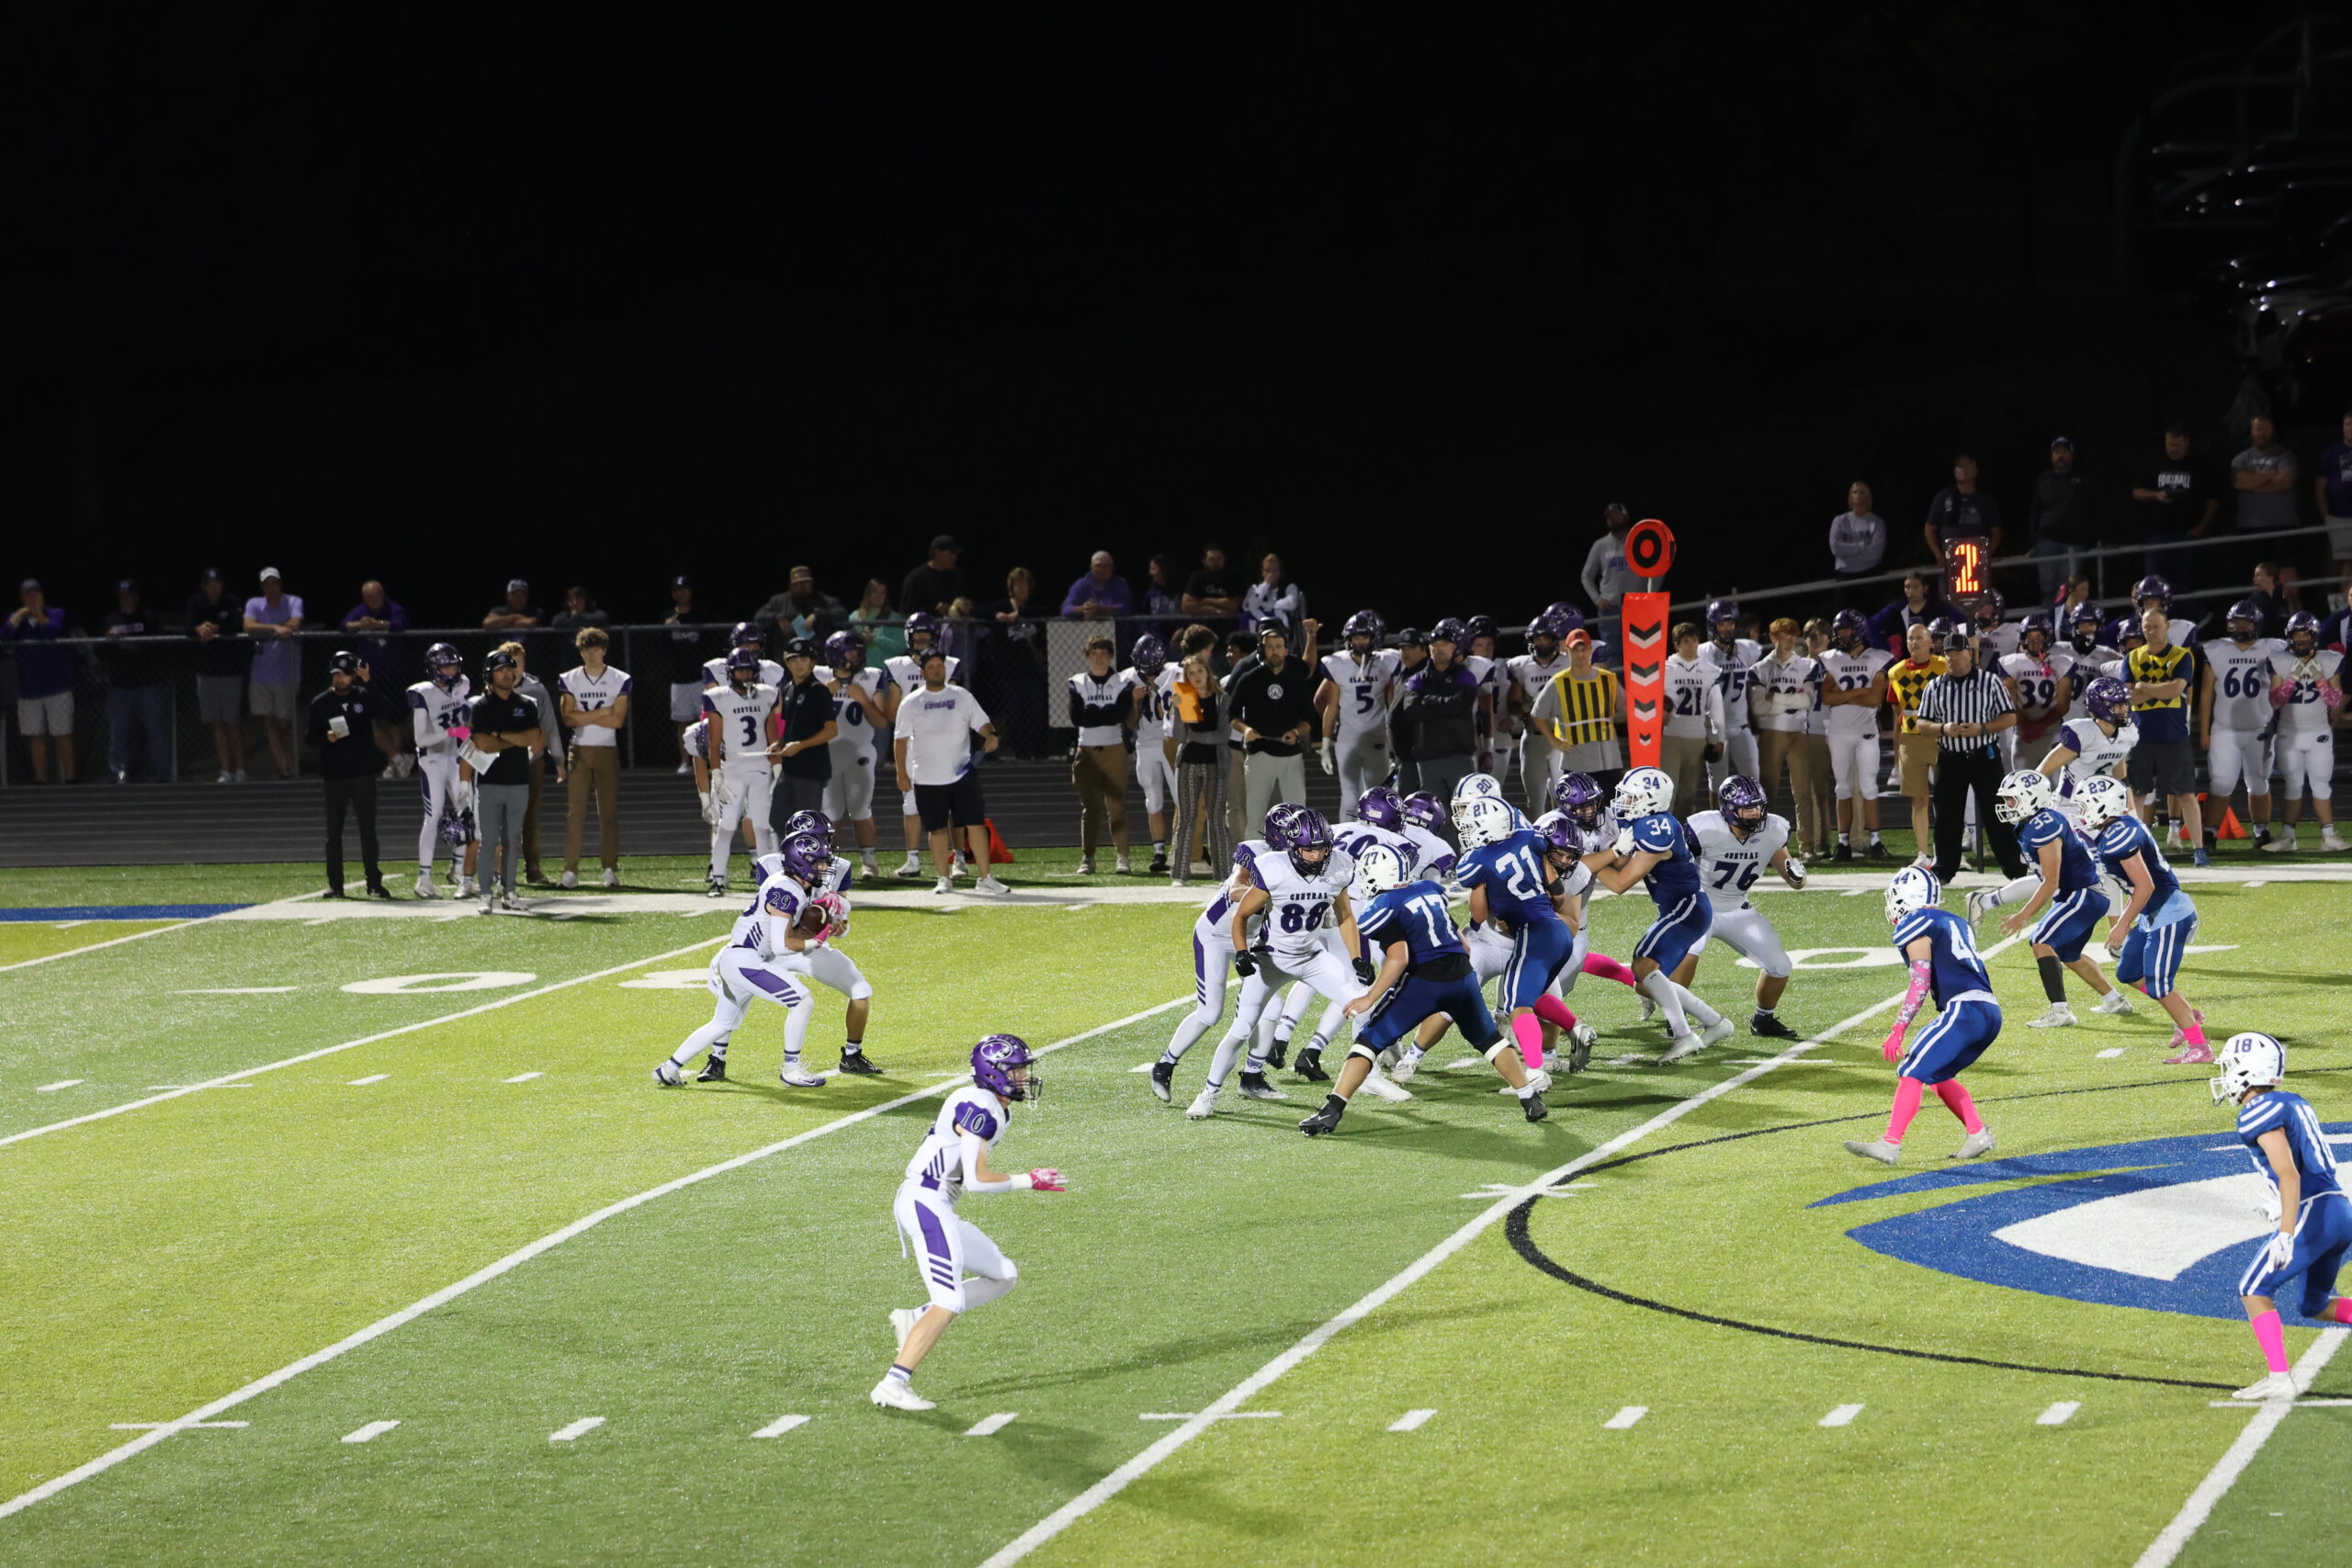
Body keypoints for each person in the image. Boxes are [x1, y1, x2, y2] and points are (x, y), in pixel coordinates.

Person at [872, 1034, 1061, 1412]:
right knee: (950, 1299)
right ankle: (893, 1384)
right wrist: (1029, 1180)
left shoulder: (992, 1105)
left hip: (935, 1203)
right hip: (926, 1201)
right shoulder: (980, 1107)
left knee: (1004, 1275)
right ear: (994, 1073)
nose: (1024, 1077)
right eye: (1017, 1070)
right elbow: (976, 1181)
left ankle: (915, 1319)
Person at [1299, 841, 1541, 1136]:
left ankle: (1331, 1112)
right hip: (1463, 975)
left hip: (1425, 981)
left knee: (1367, 1042)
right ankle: (1530, 1098)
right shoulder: (1430, 890)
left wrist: (1369, 997)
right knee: (1490, 1041)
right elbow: (1463, 944)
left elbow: (1399, 958)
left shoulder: (1383, 905)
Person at [1186, 809, 1369, 1118]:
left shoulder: (1339, 865)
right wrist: (1242, 953)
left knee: (1364, 1005)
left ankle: (1362, 1082)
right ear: (1293, 847)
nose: (1317, 855)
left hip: (1311, 956)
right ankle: (1208, 1093)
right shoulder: (1273, 867)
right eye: (1309, 849)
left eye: (1322, 848)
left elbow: (1345, 916)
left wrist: (1357, 958)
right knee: (1241, 1029)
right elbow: (1241, 915)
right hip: (1271, 957)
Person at [2206, 1032, 2352, 1404]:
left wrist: (2286, 1232)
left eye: (2231, 1066)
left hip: (2314, 1211)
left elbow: (2289, 1173)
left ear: (2247, 1070)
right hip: (2337, 1209)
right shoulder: (2291, 1101)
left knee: (2253, 1289)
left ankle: (2279, 1378)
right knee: (2313, 1304)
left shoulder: (2258, 1111)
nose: (2226, 1074)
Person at [1842, 866, 2000, 1166]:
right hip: (1988, 1010)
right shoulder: (1954, 921)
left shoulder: (1916, 922)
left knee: (1911, 1070)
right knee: (1937, 1075)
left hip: (1964, 1009)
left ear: (1907, 895)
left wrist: (1899, 1027)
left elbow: (1920, 982)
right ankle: (1978, 1134)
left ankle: (1890, 1144)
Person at [653, 831, 835, 1088]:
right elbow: (781, 946)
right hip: (746, 961)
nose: (824, 868)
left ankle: (668, 1069)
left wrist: (819, 928)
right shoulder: (786, 889)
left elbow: (785, 936)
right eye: (818, 862)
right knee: (802, 1002)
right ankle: (791, 1069)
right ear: (800, 862)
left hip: (740, 959)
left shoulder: (794, 887)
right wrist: (816, 942)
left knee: (721, 1023)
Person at [1587, 767, 1734, 1063]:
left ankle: (1684, 1035)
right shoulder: (1644, 823)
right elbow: (1620, 865)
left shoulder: (1657, 828)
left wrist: (1584, 858)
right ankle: (1716, 1023)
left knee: (1643, 965)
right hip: (1678, 908)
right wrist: (1611, 854)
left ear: (1650, 801)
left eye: (1631, 797)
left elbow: (1619, 883)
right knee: (1645, 978)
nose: (1623, 802)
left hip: (1687, 908)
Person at [2075, 775, 2211, 1062]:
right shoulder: (2119, 827)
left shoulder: (2118, 836)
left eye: (2085, 805)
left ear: (2102, 805)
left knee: (2160, 984)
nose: (2081, 812)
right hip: (2153, 913)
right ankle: (2186, 1014)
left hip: (2170, 914)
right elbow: (2135, 885)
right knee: (2129, 972)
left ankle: (2200, 1047)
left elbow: (2145, 885)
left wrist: (2122, 924)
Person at [1453, 795, 1587, 1082]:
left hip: (1531, 934)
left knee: (1517, 1006)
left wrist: (1484, 890)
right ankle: (1575, 1028)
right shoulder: (1530, 838)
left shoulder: (1476, 861)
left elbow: (1478, 916)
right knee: (1532, 997)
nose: (1467, 830)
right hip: (1557, 932)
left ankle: (1536, 1072)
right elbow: (1558, 895)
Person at [1670, 776, 1807, 1039]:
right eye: (1748, 808)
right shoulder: (1703, 828)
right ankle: (1675, 1019)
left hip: (1737, 907)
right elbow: (1675, 866)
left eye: (1759, 807)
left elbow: (1794, 879)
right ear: (1729, 809)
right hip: (1700, 905)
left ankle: (1763, 1019)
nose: (1756, 813)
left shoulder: (1773, 829)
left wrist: (1798, 877)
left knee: (1780, 966)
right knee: (1688, 953)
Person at [1984, 769, 2121, 1028]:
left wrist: (2023, 915)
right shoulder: (2032, 823)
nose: (2007, 804)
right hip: (2083, 894)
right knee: (2069, 954)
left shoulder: (2043, 825)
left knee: (2041, 941)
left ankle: (2060, 1012)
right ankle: (2115, 1000)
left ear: (2031, 797)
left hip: (2082, 893)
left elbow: (2050, 881)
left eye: (2011, 798)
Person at [893, 646, 1007, 895]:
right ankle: (943, 878)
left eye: (940, 666)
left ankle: (985, 878)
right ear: (923, 672)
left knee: (975, 824)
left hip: (962, 773)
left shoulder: (962, 696)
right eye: (931, 667)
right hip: (927, 777)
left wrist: (991, 734)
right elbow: (900, 740)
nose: (937, 671)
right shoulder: (911, 702)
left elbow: (982, 722)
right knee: (936, 829)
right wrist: (901, 773)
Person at [1915, 633, 2024, 884]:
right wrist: (1943, 728)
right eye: (1948, 654)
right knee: (1947, 816)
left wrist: (1982, 728)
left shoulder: (1990, 682)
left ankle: (2013, 867)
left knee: (1997, 814)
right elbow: (1922, 723)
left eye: (1957, 653)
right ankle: (1944, 869)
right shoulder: (1935, 686)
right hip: (1950, 757)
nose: (1952, 659)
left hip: (1984, 755)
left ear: (1968, 653)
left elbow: (2010, 717)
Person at [308, 650, 394, 899]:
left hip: (363, 774)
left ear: (353, 675)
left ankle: (374, 882)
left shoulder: (364, 696)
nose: (340, 679)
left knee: (368, 831)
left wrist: (369, 682)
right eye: (337, 674)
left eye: (345, 674)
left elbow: (387, 711)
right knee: (333, 834)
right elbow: (310, 738)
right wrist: (326, 738)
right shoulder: (321, 703)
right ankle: (336, 884)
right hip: (334, 776)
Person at [2124, 606, 2207, 866]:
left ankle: (2199, 849)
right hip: (2140, 736)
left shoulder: (2182, 656)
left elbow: (2175, 689)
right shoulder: (2132, 657)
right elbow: (2129, 697)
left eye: (2156, 626)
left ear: (2167, 626)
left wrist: (2144, 686)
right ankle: (2135, 850)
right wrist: (2159, 689)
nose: (2151, 631)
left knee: (2186, 793)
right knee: (2137, 795)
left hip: (2174, 735)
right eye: (2147, 627)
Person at [2201, 600, 2284, 852]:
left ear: (2257, 624)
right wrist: (2203, 730)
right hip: (2225, 729)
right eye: (2236, 622)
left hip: (2260, 728)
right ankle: (2209, 833)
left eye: (2246, 622)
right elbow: (2206, 693)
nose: (2241, 626)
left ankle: (2261, 831)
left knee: (2259, 782)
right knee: (2221, 782)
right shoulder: (2217, 649)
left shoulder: (2272, 648)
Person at [885, 612, 962, 878]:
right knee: (911, 803)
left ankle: (959, 858)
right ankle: (913, 860)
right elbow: (892, 712)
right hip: (912, 742)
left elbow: (953, 703)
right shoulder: (897, 666)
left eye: (925, 636)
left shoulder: (948, 664)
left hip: (945, 742)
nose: (920, 641)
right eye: (917, 637)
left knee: (952, 803)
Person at [464, 649, 542, 913]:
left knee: (512, 841)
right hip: (490, 781)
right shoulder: (481, 706)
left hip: (519, 780)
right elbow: (482, 743)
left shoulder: (526, 704)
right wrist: (514, 738)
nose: (508, 673)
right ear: (489, 675)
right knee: (488, 841)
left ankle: (509, 892)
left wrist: (500, 735)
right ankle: (485, 894)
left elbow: (533, 738)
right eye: (501, 670)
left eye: (510, 668)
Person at [2264, 612, 2347, 853]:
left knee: (2321, 785)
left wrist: (2319, 678)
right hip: (2289, 732)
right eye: (2296, 634)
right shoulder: (2279, 660)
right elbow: (2276, 701)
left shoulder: (2329, 660)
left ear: (2314, 636)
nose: (2300, 639)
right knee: (2292, 785)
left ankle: (2329, 836)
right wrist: (2293, 678)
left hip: (2319, 732)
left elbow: (2335, 701)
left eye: (2305, 634)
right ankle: (2288, 837)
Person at [556, 626, 630, 889]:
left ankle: (609, 868)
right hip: (579, 749)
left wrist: (584, 716)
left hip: (607, 749)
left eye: (596, 649)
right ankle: (570, 870)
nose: (591, 654)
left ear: (604, 650)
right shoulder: (570, 678)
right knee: (575, 813)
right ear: (581, 651)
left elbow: (618, 721)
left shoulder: (620, 678)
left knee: (608, 812)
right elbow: (568, 718)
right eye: (587, 649)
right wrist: (603, 712)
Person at [703, 649, 780, 895]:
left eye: (749, 670)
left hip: (761, 766)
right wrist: (717, 775)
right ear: (731, 672)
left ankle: (768, 879)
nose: (745, 674)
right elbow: (714, 743)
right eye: (740, 670)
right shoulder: (719, 697)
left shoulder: (767, 694)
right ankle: (718, 878)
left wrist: (777, 766)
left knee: (762, 826)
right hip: (733, 768)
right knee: (726, 826)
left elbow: (772, 736)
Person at [1227, 624, 1317, 830]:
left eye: (1278, 646)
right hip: (1259, 753)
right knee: (1255, 814)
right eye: (1269, 647)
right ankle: (1253, 852)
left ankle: (1297, 850)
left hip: (1290, 755)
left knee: (1297, 814)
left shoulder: (1297, 680)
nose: (1274, 651)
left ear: (1286, 650)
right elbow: (1232, 715)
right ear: (1262, 650)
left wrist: (1296, 732)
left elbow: (1309, 720)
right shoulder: (1249, 678)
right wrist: (1245, 730)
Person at [1530, 625, 1625, 815]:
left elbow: (1627, 707)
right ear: (1567, 651)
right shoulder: (1559, 682)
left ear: (1590, 650)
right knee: (1579, 812)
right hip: (1577, 761)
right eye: (1575, 650)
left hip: (1610, 759)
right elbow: (1537, 713)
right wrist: (1554, 741)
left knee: (1611, 811)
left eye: (1584, 649)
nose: (1580, 654)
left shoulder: (1608, 679)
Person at [408, 642, 478, 898]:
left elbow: (466, 718)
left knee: (466, 812)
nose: (451, 671)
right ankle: (424, 879)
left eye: (453, 666)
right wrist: (452, 731)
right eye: (446, 667)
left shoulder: (463, 684)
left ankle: (458, 869)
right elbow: (420, 739)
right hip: (433, 760)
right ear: (434, 669)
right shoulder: (422, 693)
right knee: (434, 814)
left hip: (457, 757)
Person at [820, 629, 890, 876]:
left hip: (860, 752)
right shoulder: (819, 676)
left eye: (857, 652)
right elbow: (805, 714)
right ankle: (826, 861)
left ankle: (869, 861)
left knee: (861, 808)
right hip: (827, 752)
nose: (855, 656)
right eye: (850, 652)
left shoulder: (871, 676)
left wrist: (862, 699)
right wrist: (824, 693)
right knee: (830, 811)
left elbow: (881, 722)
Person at [1316, 611, 1400, 814]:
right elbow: (1331, 706)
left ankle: (1374, 834)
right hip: (1349, 738)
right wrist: (1325, 744)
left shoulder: (1386, 661)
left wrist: (1395, 740)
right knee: (1350, 795)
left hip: (1376, 736)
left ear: (1374, 637)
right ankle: (1349, 834)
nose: (1360, 642)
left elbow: (1392, 704)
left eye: (1364, 636)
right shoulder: (1339, 663)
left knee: (1377, 796)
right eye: (1356, 637)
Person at [1066, 634, 1137, 874]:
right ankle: (1088, 857)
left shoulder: (1121, 682)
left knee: (1116, 806)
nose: (1099, 659)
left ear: (1110, 656)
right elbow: (1077, 717)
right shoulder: (1077, 682)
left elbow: (1120, 714)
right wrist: (1107, 712)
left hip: (1114, 748)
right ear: (1087, 656)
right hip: (1086, 750)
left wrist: (1095, 712)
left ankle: (1123, 856)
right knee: (1090, 807)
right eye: (1094, 654)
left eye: (1103, 654)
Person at [1392, 621, 1481, 802]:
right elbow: (1411, 711)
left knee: (1465, 809)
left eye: (1444, 645)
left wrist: (1427, 700)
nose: (1438, 649)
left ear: (1453, 647)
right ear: (1429, 648)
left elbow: (1459, 706)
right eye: (1434, 645)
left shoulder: (1465, 675)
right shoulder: (1417, 679)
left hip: (1458, 755)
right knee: (1434, 813)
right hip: (1427, 759)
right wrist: (1445, 707)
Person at [500, 639, 565, 884]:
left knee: (530, 813)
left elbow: (549, 726)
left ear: (524, 664)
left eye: (517, 663)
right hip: (501, 760)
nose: (513, 669)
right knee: (499, 814)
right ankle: (500, 870)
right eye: (508, 663)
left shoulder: (536, 690)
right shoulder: (492, 689)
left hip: (531, 758)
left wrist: (558, 759)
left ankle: (533, 866)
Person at [1168, 627, 1230, 884]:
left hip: (1216, 763)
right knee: (1187, 818)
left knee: (1217, 820)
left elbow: (1222, 735)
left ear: (1208, 672)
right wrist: (1176, 712)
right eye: (1191, 673)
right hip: (1188, 763)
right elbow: (1180, 737)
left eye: (1200, 671)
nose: (1196, 677)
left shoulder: (1221, 699)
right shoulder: (1185, 698)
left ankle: (1224, 874)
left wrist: (1196, 736)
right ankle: (1179, 874)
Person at [1883, 622, 1946, 864]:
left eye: (1919, 638)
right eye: (1910, 638)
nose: (1914, 642)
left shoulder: (1943, 665)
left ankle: (1946, 851)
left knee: (1946, 797)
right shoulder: (1895, 672)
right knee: (1918, 799)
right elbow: (1896, 714)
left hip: (1940, 736)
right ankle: (1922, 853)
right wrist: (1896, 754)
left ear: (1931, 642)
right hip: (1910, 739)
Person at [4, 580, 75, 785]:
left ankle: (71, 778)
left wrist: (39, 614)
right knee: (35, 735)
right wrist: (22, 612)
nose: (32, 597)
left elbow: (54, 631)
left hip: (57, 687)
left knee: (62, 733)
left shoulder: (55, 613)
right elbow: (4, 635)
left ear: (42, 595)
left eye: (35, 593)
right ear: (21, 597)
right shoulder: (17, 619)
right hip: (29, 689)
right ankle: (40, 779)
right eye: (27, 594)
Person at [99, 581, 170, 784]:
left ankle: (162, 773)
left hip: (148, 684)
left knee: (156, 731)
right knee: (118, 733)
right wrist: (109, 640)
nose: (126, 598)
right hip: (119, 686)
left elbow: (157, 648)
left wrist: (128, 644)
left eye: (129, 594)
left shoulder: (148, 618)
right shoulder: (111, 619)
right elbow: (100, 651)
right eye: (122, 595)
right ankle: (118, 773)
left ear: (137, 596)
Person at [2133, 424, 2222, 583]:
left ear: (2186, 442)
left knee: (2183, 581)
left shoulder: (2200, 464)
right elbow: (2136, 491)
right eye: (2170, 444)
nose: (2173, 449)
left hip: (2188, 533)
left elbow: (2212, 499)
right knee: (2154, 582)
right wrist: (2156, 495)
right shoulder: (2154, 461)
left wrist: (2202, 527)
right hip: (2158, 534)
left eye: (2177, 445)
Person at [186, 568, 250, 783]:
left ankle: (241, 768)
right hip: (206, 672)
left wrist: (217, 628)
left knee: (233, 721)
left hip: (231, 672)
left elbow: (239, 625)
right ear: (204, 586)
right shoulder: (196, 603)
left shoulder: (232, 601)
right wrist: (199, 629)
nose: (215, 589)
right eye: (210, 585)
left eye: (218, 584)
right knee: (217, 723)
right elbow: (187, 627)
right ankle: (226, 769)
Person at [1504, 612, 1574, 807]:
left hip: (1563, 737)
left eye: (1546, 638)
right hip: (1534, 736)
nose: (1542, 643)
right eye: (1538, 638)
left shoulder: (1568, 661)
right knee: (1534, 800)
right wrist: (1526, 705)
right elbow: (1513, 706)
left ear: (1554, 640)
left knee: (1565, 797)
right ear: (1531, 640)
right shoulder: (1519, 666)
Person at [242, 567, 304, 779]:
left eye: (274, 583)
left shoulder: (294, 601)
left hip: (287, 673)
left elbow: (295, 623)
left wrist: (264, 627)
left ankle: (292, 760)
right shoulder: (254, 603)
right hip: (260, 675)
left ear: (280, 584)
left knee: (285, 723)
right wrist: (276, 629)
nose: (271, 587)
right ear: (262, 587)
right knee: (269, 722)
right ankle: (284, 767)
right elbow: (248, 626)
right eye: (266, 584)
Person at [1125, 634, 1179, 875]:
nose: (1150, 675)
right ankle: (1159, 851)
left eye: (1154, 671)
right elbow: (1130, 724)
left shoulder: (1175, 672)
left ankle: (1181, 848)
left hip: (1170, 740)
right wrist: (1134, 702)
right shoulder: (1127, 678)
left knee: (1180, 798)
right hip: (1146, 744)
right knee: (1153, 799)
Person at [978, 567, 1046, 759]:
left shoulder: (1033, 610)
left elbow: (1047, 613)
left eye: (1025, 584)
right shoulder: (1002, 605)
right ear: (1011, 587)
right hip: (1009, 669)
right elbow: (980, 611)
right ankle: (1020, 751)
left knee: (1036, 710)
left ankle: (1039, 751)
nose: (1022, 588)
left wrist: (1017, 615)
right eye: (1018, 585)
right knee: (1015, 711)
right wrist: (998, 616)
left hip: (1032, 668)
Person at [1996, 614, 2077, 772]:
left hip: (2052, 733)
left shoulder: (2063, 662)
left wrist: (2041, 726)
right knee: (2023, 783)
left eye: (2039, 636)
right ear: (2023, 638)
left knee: (2055, 785)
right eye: (2030, 637)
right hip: (2023, 734)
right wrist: (2026, 725)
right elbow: (2010, 701)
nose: (2035, 641)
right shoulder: (2011, 663)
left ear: (2048, 637)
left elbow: (2063, 704)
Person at [1659, 623, 1723, 817]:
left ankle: (1683, 831)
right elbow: (1648, 697)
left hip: (1697, 738)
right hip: (1671, 736)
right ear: (1677, 644)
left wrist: (1719, 738)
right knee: (1667, 791)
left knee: (1689, 795)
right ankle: (1663, 831)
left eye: (1694, 640)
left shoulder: (1710, 670)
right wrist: (1660, 708)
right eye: (1686, 641)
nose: (1691, 645)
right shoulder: (1664, 668)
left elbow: (1716, 706)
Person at [1699, 599, 1763, 784]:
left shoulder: (1747, 648)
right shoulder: (1703, 652)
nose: (1727, 628)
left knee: (1753, 780)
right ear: (1713, 626)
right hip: (1715, 728)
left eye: (1730, 623)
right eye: (1722, 624)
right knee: (1717, 783)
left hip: (1741, 726)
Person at [2028, 437, 2096, 600]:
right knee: (2047, 588)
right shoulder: (2044, 479)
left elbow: (2092, 510)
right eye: (2057, 452)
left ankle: (2065, 617)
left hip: (2074, 543)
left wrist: (2093, 540)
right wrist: (2034, 543)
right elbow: (2035, 511)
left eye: (2065, 452)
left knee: (2068, 590)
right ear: (2051, 456)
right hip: (2047, 542)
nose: (2060, 456)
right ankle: (2049, 617)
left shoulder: (2082, 479)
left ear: (2071, 455)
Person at [1578, 502, 1641, 663]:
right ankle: (1616, 681)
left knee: (1641, 650)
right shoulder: (1600, 545)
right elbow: (1586, 575)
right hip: (1610, 609)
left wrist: (1650, 593)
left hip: (1638, 606)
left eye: (1616, 516)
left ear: (1625, 516)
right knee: (1613, 654)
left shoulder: (1639, 540)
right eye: (1609, 517)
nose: (1612, 520)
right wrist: (1597, 599)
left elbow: (1658, 569)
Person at [662, 575, 707, 773]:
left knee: (705, 721)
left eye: (685, 589)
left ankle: (706, 760)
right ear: (673, 594)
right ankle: (685, 761)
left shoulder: (700, 615)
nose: (682, 594)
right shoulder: (668, 616)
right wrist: (665, 629)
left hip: (700, 677)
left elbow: (710, 642)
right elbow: (659, 648)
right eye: (678, 590)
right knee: (682, 722)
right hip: (678, 678)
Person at [1924, 453, 2004, 561]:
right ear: (1955, 471)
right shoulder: (1943, 497)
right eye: (1960, 467)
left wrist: (1986, 554)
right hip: (1951, 560)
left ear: (1976, 471)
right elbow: (1929, 529)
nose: (1963, 470)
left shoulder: (1986, 501)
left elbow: (1996, 532)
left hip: (1977, 560)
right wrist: (1938, 554)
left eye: (1967, 466)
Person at [2233, 414, 2301, 539]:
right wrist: (2271, 475)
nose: (2262, 433)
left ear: (2273, 431)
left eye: (2266, 429)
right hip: (2249, 525)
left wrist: (2251, 485)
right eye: (2258, 429)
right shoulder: (2240, 459)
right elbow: (2239, 481)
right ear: (2252, 432)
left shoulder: (2286, 456)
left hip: (2283, 523)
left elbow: (2285, 482)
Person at [1864, 569, 1949, 656]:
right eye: (1907, 587)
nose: (1911, 591)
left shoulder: (1939, 607)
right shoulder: (1895, 609)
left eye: (1915, 587)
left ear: (1925, 588)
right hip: (1905, 659)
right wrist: (1887, 648)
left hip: (1934, 657)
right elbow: (1869, 626)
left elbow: (1957, 623)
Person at [1827, 481, 1886, 605]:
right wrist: (1861, 545)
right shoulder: (1840, 521)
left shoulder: (1877, 522)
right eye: (1855, 492)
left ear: (1868, 497)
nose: (1858, 495)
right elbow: (1836, 548)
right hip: (1845, 577)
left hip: (1869, 576)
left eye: (1862, 492)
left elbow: (1875, 553)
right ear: (1850, 496)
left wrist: (1848, 554)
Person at [758, 565, 849, 645]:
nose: (802, 587)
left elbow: (843, 614)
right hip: (786, 653)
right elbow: (759, 617)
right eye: (797, 584)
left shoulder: (824, 600)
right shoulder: (779, 601)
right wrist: (777, 617)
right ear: (791, 586)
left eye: (805, 583)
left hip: (818, 653)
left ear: (812, 583)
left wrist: (818, 614)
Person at [2317, 409, 2352, 593]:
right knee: (2345, 560)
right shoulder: (2332, 453)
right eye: (2348, 424)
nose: (2351, 428)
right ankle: (2346, 601)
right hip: (2339, 517)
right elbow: (2320, 486)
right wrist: (2326, 515)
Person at [1239, 552, 1305, 642]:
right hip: (1258, 628)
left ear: (1280, 572)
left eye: (1275, 570)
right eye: (1267, 571)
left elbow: (1291, 603)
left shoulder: (1289, 587)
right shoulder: (1255, 589)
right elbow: (1248, 607)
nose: (1271, 574)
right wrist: (1266, 584)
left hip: (1283, 630)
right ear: (1262, 572)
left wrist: (1266, 604)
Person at [899, 536, 967, 617]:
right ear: (937, 552)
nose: (955, 557)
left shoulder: (955, 575)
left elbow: (961, 604)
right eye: (951, 553)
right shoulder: (917, 578)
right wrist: (934, 610)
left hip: (953, 624)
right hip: (925, 624)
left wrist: (952, 609)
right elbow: (907, 612)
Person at [849, 578, 907, 668]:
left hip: (886, 671)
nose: (878, 596)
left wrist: (875, 639)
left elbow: (901, 647)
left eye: (882, 593)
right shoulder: (854, 617)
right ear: (868, 594)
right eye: (874, 591)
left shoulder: (894, 618)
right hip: (860, 671)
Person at [1058, 552, 1132, 621]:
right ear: (1091, 568)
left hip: (1116, 628)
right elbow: (1065, 609)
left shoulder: (1120, 584)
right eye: (1098, 566)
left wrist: (1100, 609)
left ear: (1112, 568)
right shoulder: (1081, 584)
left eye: (1107, 565)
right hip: (1087, 628)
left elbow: (1126, 608)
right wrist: (1084, 609)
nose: (1103, 569)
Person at [1180, 544, 1242, 619]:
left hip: (1228, 623)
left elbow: (1234, 606)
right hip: (1202, 623)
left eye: (1219, 558)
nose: (1216, 562)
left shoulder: (1233, 577)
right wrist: (1214, 610)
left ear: (1224, 559)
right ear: (1205, 561)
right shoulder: (1197, 577)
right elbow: (1186, 606)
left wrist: (1204, 601)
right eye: (1211, 559)